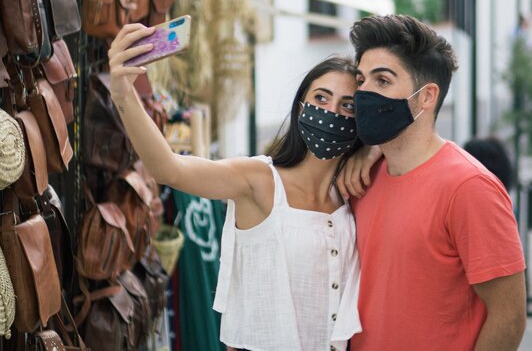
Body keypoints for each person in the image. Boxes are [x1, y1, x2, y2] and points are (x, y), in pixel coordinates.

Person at [108, 23, 362, 351]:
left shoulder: (351, 195)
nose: (331, 112)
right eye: (321, 98)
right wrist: (123, 94)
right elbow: (168, 169)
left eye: (348, 106)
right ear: (301, 107)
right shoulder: (259, 179)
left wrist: (370, 152)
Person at [337, 15, 527, 350]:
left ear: (426, 97)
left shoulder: (469, 188)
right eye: (361, 79)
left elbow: (509, 317)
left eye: (382, 81)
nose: (364, 93)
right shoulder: (362, 178)